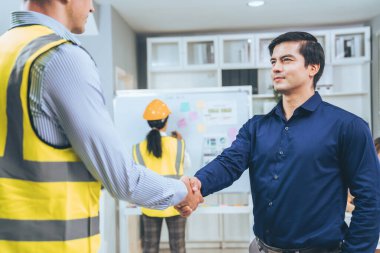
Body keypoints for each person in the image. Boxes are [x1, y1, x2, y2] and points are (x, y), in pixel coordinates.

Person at [0, 1, 202, 252]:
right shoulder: (61, 58)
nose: (93, 8)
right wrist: (183, 191)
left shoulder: (7, 50)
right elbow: (121, 178)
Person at [176, 32, 380, 252]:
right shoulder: (256, 127)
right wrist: (197, 184)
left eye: (286, 60)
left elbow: (370, 198)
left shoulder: (348, 126)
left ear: (313, 67)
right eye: (273, 61)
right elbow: (229, 163)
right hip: (261, 247)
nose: (275, 67)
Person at [133, 99, 192, 253]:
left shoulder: (138, 148)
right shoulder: (177, 144)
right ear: (166, 121)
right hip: (176, 204)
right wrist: (179, 141)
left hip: (150, 204)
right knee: (178, 247)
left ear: (148, 123)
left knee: (150, 248)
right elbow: (187, 165)